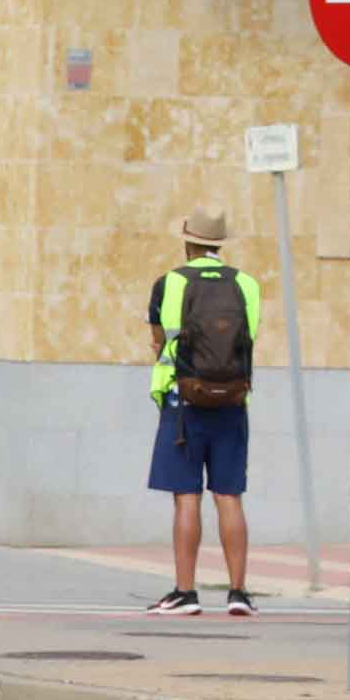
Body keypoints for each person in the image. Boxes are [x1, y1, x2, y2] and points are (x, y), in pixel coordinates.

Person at [143, 210, 262, 617]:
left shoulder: (170, 282)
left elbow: (159, 340)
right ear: (219, 245)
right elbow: (249, 337)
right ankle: (238, 592)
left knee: (187, 497)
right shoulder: (246, 284)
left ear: (187, 242)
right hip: (232, 400)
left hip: (184, 402)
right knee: (229, 496)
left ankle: (185, 592)